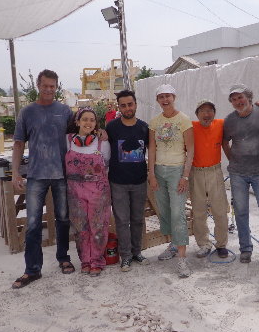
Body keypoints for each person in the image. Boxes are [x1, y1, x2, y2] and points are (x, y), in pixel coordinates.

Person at [11, 69, 74, 289]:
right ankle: (32, 269)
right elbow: (19, 143)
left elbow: (80, 135)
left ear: (56, 87)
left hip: (62, 174)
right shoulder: (27, 112)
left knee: (63, 218)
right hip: (36, 175)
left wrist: (101, 133)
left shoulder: (65, 111)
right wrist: (16, 172)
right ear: (38, 85)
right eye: (45, 85)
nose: (48, 89)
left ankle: (63, 258)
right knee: (33, 223)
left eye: (52, 86)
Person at [223, 84, 259, 265]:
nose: (238, 101)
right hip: (237, 173)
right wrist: (232, 159)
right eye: (234, 99)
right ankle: (245, 249)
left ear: (249, 97)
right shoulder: (229, 120)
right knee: (241, 212)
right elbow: (224, 141)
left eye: (240, 97)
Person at [148, 84, 194, 278]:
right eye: (161, 97)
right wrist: (151, 174)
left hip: (177, 171)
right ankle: (173, 244)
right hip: (159, 171)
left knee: (177, 213)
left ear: (174, 97)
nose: (165, 100)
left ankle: (182, 259)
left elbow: (190, 150)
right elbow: (152, 149)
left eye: (168, 96)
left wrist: (185, 176)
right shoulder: (154, 122)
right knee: (165, 212)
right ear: (157, 100)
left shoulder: (183, 120)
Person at [106, 89, 151, 272]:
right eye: (123, 105)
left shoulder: (144, 127)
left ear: (135, 105)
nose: (127, 108)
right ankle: (125, 256)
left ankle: (137, 252)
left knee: (138, 219)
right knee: (122, 221)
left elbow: (153, 150)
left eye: (130, 104)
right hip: (118, 182)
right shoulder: (111, 127)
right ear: (119, 107)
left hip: (140, 181)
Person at [65, 107, 111, 276]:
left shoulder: (102, 142)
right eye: (85, 119)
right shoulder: (67, 140)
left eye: (92, 120)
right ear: (77, 122)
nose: (88, 123)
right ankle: (85, 260)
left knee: (98, 225)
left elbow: (107, 163)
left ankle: (97, 261)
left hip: (98, 191)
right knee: (80, 226)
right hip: (75, 191)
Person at [190, 99, 230, 259]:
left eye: (210, 111)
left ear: (214, 113)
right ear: (197, 114)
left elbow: (240, 119)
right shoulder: (190, 127)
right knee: (198, 211)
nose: (206, 114)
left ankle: (221, 244)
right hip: (196, 172)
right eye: (202, 111)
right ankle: (204, 244)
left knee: (220, 210)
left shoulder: (221, 124)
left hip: (215, 171)